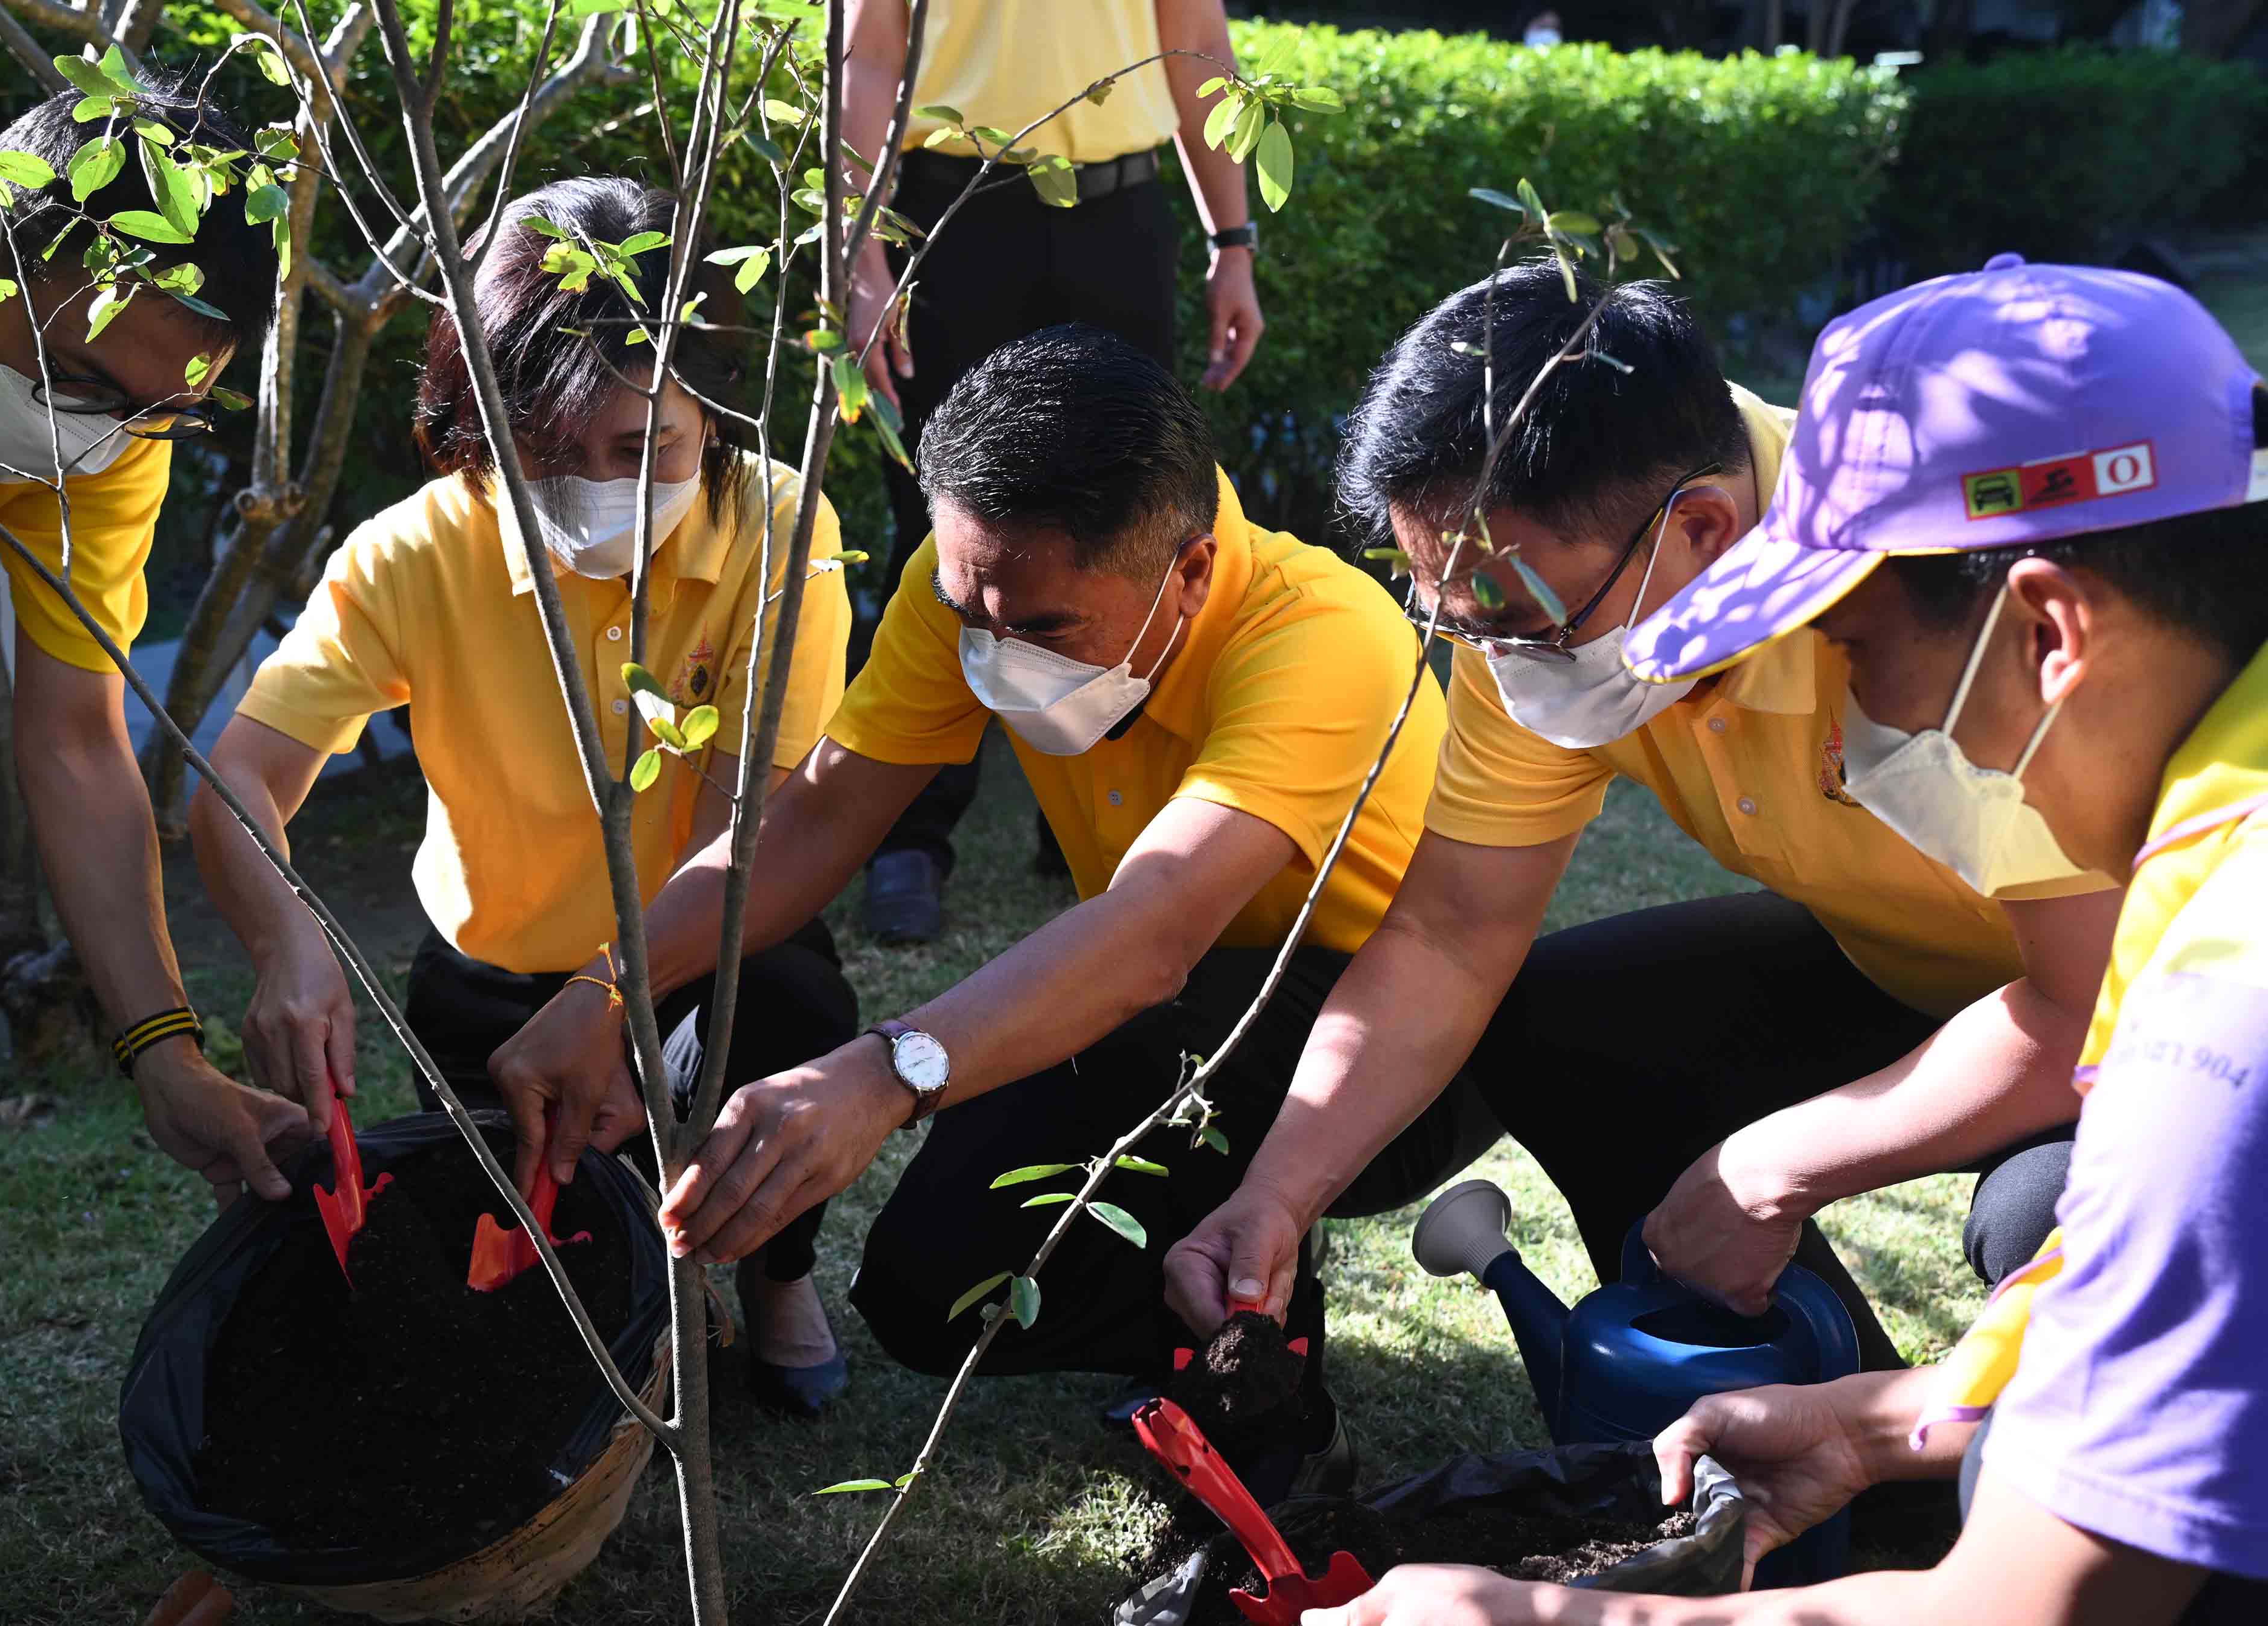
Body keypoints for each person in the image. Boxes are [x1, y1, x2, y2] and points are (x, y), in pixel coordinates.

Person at [1302, 263, 2268, 1626]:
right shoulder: (2209, 840)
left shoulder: (2227, 1007)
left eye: (1855, 649)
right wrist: (1891, 1418)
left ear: (2050, 630)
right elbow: (2122, 1290)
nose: (1850, 723)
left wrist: (1560, 1617)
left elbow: (2035, 1606)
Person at [492, 325, 1444, 1494]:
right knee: (928, 1290)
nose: (992, 651)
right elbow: (817, 816)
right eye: (968, 610)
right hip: (1155, 1013)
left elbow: (1154, 931)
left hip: (1377, 1047)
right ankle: (1181, 1312)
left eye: (1042, 630)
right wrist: (609, 989)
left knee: (1187, 1025)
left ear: (1191, 571)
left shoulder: (1325, 638)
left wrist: (886, 1071)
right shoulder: (981, 585)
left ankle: (1266, 1394)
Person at [1166, 263, 2120, 1379]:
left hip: (2163, 999)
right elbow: (1449, 935)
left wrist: (1777, 1164)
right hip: (1925, 964)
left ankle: (1961, 1459)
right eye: (1460, 622)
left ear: (1706, 528)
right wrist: (1276, 1196)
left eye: (1522, 625)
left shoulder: (1933, 580)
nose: (1502, 660)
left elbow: (2092, 1000)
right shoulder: (1531, 595)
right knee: (1566, 1026)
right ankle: (1779, 1427)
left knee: (2053, 1213)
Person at [190, 176, 860, 1416]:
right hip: (490, 978)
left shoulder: (780, 530)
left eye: (645, 450)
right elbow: (238, 779)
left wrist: (618, 1003)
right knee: (521, 1256)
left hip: (705, 946)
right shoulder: (413, 553)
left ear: (712, 410)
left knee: (789, 1022)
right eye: (550, 452)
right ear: (484, 420)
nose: (602, 487)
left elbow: (745, 828)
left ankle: (779, 1273)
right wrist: (286, 944)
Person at [0, 84, 288, 1569]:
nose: (103, 437)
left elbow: (77, 740)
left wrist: (164, 1048)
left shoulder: (110, 423)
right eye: (86, 378)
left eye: (158, 408)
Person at [838, 0, 1267, 943]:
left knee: (1133, 524)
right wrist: (861, 255)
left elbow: (1198, 45)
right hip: (953, 217)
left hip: (1121, 220)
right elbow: (869, 56)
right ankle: (908, 839)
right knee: (941, 523)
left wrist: (1232, 244)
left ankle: (1114, 820)